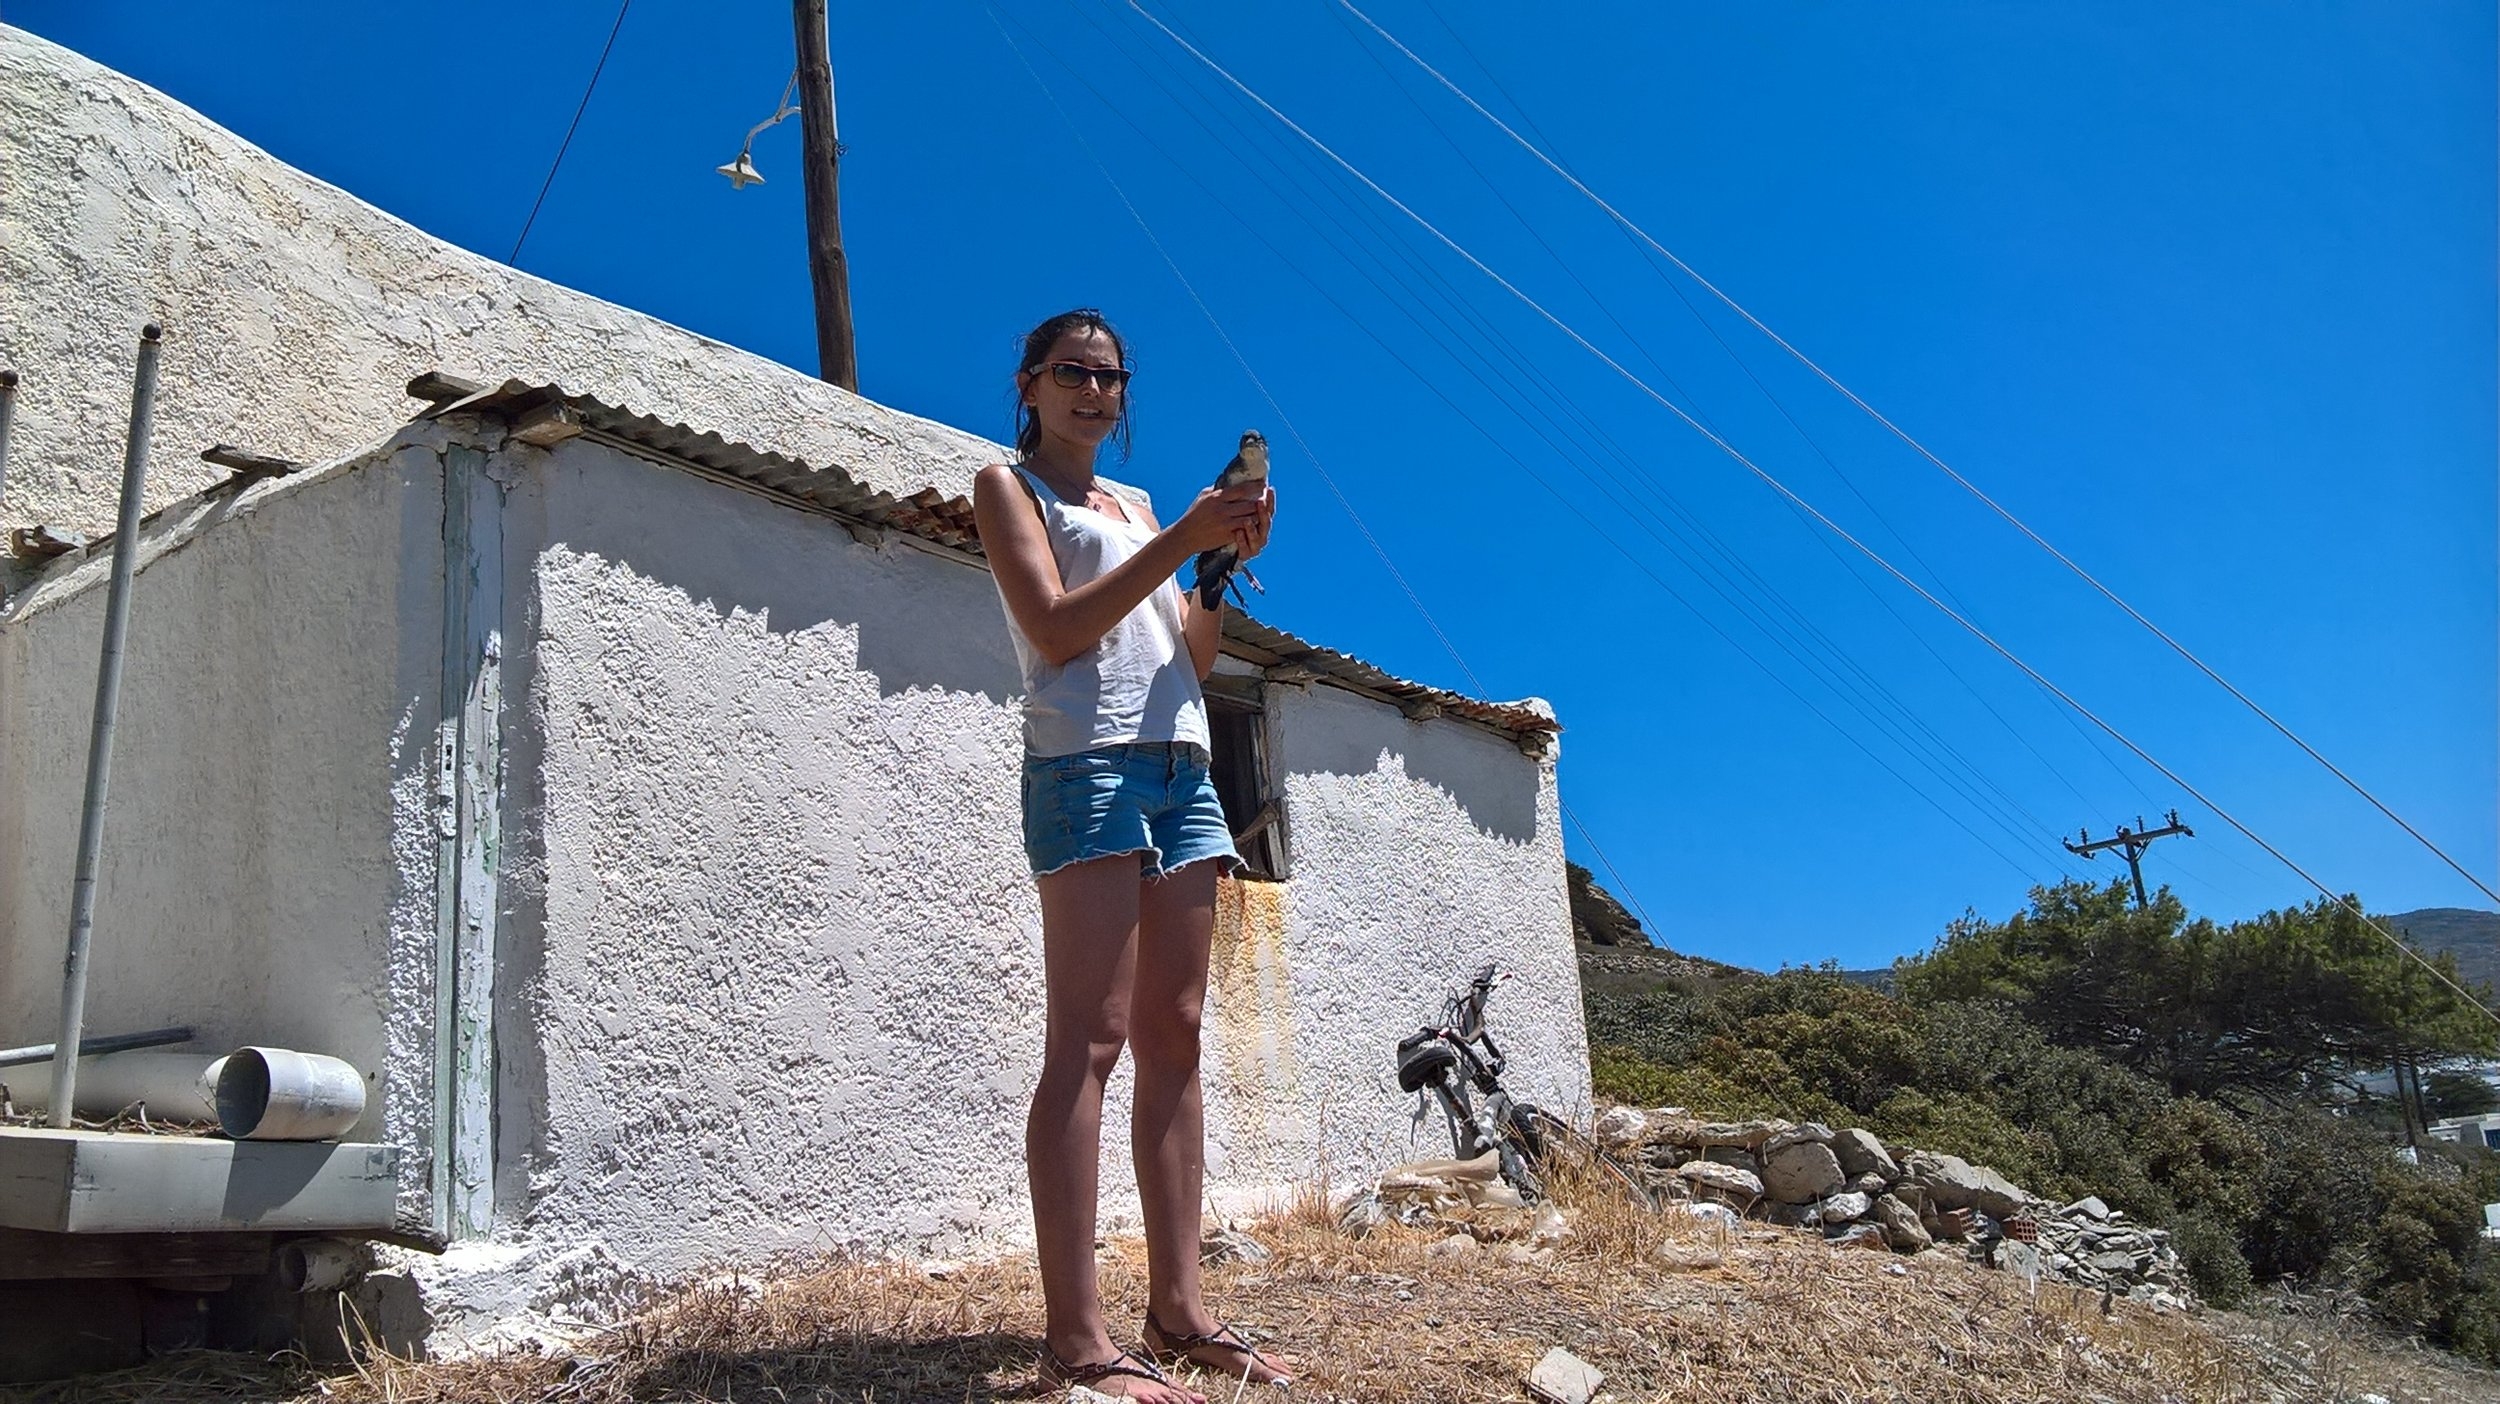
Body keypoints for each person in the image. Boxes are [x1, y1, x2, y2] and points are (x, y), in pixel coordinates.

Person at [971, 309, 1292, 1400]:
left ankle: (1180, 1310)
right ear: (1029, 383)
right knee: (1091, 1038)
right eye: (1072, 373)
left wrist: (1207, 572)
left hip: (1181, 768)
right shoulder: (1007, 490)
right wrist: (1178, 538)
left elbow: (1188, 661)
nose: (1094, 393)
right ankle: (1076, 1338)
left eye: (1109, 378)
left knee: (1178, 1034)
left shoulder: (1143, 506)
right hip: (1087, 766)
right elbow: (1058, 631)